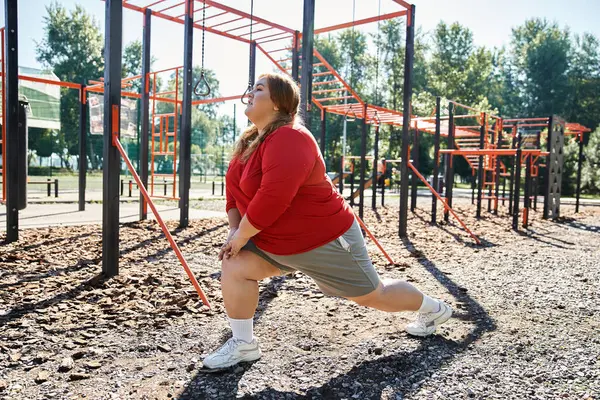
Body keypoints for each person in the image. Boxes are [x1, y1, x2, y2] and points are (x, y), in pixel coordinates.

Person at [202, 73, 452, 370]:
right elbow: (233, 196)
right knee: (235, 263)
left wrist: (242, 235)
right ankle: (243, 344)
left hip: (326, 240)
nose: (250, 93)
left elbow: (273, 197)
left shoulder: (291, 137)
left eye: (258, 89)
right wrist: (234, 231)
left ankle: (434, 309)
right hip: (278, 242)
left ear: (279, 104)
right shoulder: (248, 142)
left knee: (375, 296)